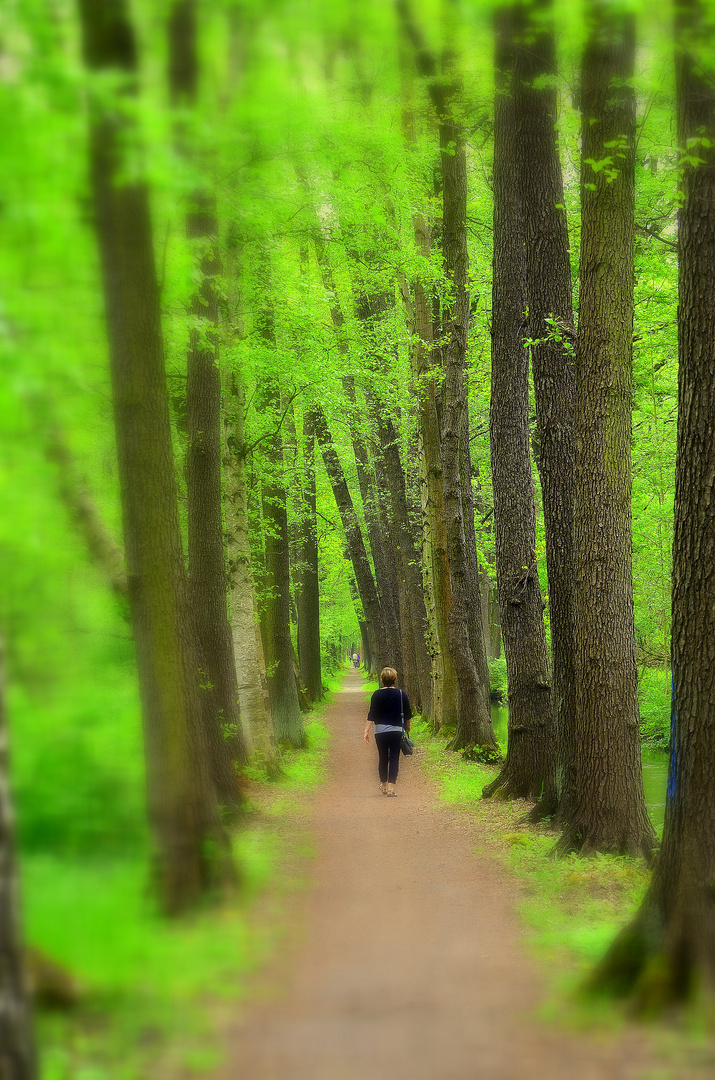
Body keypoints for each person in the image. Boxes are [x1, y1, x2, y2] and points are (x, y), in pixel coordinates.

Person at [363, 667, 412, 797]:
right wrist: (408, 726)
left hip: (380, 732)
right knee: (394, 758)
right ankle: (391, 788)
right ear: (394, 680)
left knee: (383, 758)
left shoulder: (376, 694)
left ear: (382, 679)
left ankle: (384, 787)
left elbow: (372, 714)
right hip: (397, 731)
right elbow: (408, 714)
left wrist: (366, 730)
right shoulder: (401, 694)